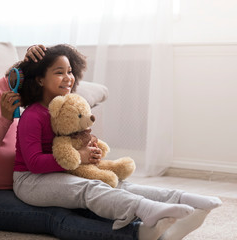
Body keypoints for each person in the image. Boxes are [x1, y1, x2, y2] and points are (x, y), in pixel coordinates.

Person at [0, 29, 182, 240]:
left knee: (83, 200)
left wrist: (32, 53)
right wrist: (4, 120)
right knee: (56, 216)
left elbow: (34, 71)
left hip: (28, 182)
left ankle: (148, 219)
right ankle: (137, 234)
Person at [12, 44, 223, 240]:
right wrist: (79, 157)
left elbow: (71, 146)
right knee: (89, 188)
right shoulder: (33, 115)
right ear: (40, 79)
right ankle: (147, 210)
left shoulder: (67, 109)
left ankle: (182, 199)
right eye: (59, 72)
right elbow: (35, 163)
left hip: (61, 172)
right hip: (30, 181)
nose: (68, 77)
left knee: (119, 184)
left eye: (69, 71)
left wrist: (88, 151)